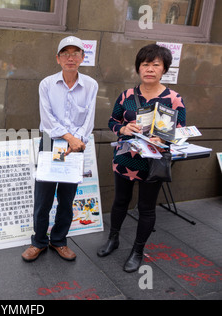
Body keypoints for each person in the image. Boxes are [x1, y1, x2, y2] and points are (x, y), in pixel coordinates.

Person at [97, 44, 186, 272]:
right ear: (138, 68)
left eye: (156, 64)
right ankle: (113, 239)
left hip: (153, 163)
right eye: (145, 64)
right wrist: (124, 129)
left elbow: (180, 131)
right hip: (126, 159)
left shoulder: (174, 99)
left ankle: (137, 250)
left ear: (164, 68)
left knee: (146, 208)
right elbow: (112, 121)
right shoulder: (127, 95)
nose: (149, 69)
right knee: (120, 202)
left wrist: (164, 141)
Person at [21, 36, 98, 262]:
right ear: (58, 58)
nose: (70, 58)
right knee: (43, 197)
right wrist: (68, 138)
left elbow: (90, 119)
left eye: (75, 53)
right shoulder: (46, 84)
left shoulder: (91, 85)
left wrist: (77, 140)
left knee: (67, 197)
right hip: (50, 141)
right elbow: (47, 119)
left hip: (77, 144)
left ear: (83, 58)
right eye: (65, 53)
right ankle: (39, 241)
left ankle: (59, 240)